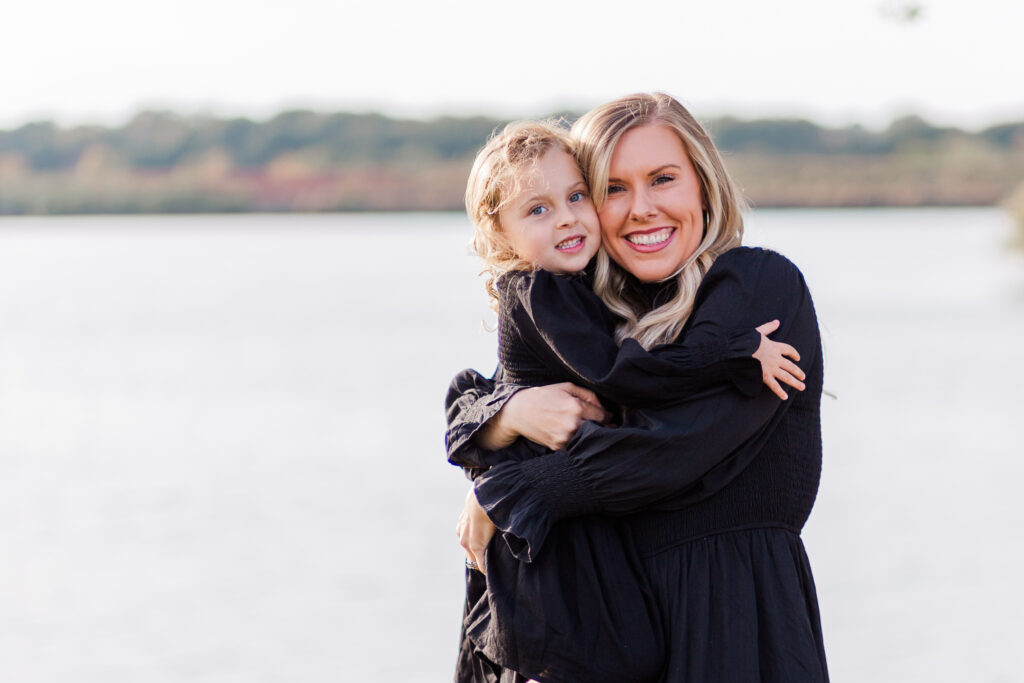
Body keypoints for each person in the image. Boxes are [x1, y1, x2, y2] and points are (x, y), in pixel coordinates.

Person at [450, 93, 829, 682]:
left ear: (704, 183)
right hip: (590, 630)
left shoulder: (756, 285)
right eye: (612, 189)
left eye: (663, 179)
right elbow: (474, 407)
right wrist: (511, 414)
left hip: (734, 625)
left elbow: (664, 450)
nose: (641, 208)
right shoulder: (584, 312)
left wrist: (510, 492)